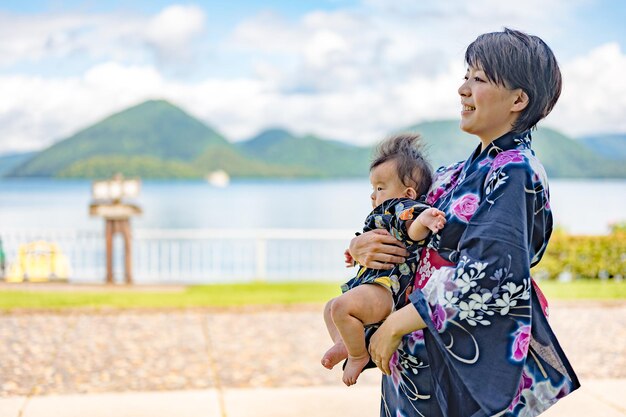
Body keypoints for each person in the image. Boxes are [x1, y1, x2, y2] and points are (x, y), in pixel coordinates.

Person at [350, 28, 580, 416]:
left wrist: (394, 325)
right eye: (466, 76)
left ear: (518, 100)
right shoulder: (453, 173)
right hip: (419, 363)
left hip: (463, 368)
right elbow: (397, 217)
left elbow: (492, 275)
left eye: (479, 79)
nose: (463, 89)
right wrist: (362, 243)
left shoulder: (516, 170)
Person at [322, 133, 446, 386]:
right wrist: (353, 252)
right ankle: (344, 343)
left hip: (388, 290)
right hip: (373, 286)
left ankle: (358, 355)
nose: (373, 195)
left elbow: (413, 224)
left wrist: (427, 219)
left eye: (380, 188)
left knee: (340, 308)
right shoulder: (383, 213)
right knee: (331, 307)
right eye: (372, 188)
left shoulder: (399, 207)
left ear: (407, 192)